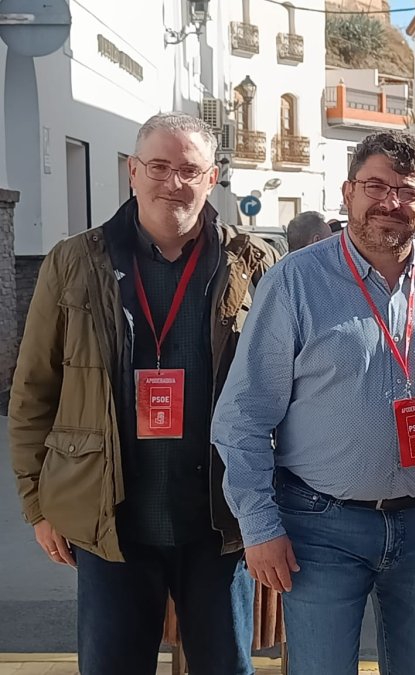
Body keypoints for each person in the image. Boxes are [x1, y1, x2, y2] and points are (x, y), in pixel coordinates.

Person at [211, 129, 415, 675]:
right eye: (376, 186)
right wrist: (260, 526)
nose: (390, 202)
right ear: (348, 192)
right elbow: (242, 417)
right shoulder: (294, 282)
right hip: (319, 528)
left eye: (408, 192)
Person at [8, 112, 278, 675]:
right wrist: (38, 505)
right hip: (112, 525)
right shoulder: (74, 261)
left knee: (226, 668)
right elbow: (33, 392)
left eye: (189, 170)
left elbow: (283, 394)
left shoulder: (253, 264)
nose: (172, 182)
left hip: (218, 522)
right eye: (158, 166)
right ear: (132, 171)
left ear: (212, 178)